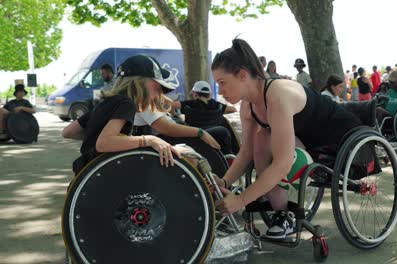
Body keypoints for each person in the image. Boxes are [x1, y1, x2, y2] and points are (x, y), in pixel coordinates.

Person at [211, 38, 361, 240]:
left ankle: (286, 213)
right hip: (304, 143)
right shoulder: (247, 106)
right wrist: (224, 182)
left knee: (266, 139)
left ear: (243, 75)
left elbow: (282, 163)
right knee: (262, 138)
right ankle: (282, 213)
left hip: (335, 138)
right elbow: (246, 152)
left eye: (222, 83)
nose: (219, 91)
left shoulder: (278, 94)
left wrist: (241, 200)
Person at [62, 55, 189, 174]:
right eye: (156, 87)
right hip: (105, 172)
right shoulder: (127, 104)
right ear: (139, 83)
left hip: (86, 171)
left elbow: (68, 132)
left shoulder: (106, 102)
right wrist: (149, 140)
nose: (158, 94)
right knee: (187, 156)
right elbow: (103, 143)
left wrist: (94, 137)